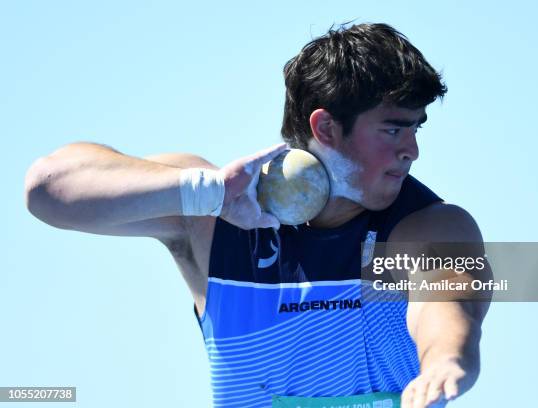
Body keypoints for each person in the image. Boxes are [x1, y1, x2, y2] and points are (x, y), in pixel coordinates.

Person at [25, 23, 490, 408]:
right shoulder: (212, 214)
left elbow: (446, 306)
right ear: (325, 127)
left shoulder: (430, 227)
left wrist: (447, 360)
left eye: (415, 129)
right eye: (393, 129)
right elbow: (48, 188)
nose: (412, 151)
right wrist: (206, 193)